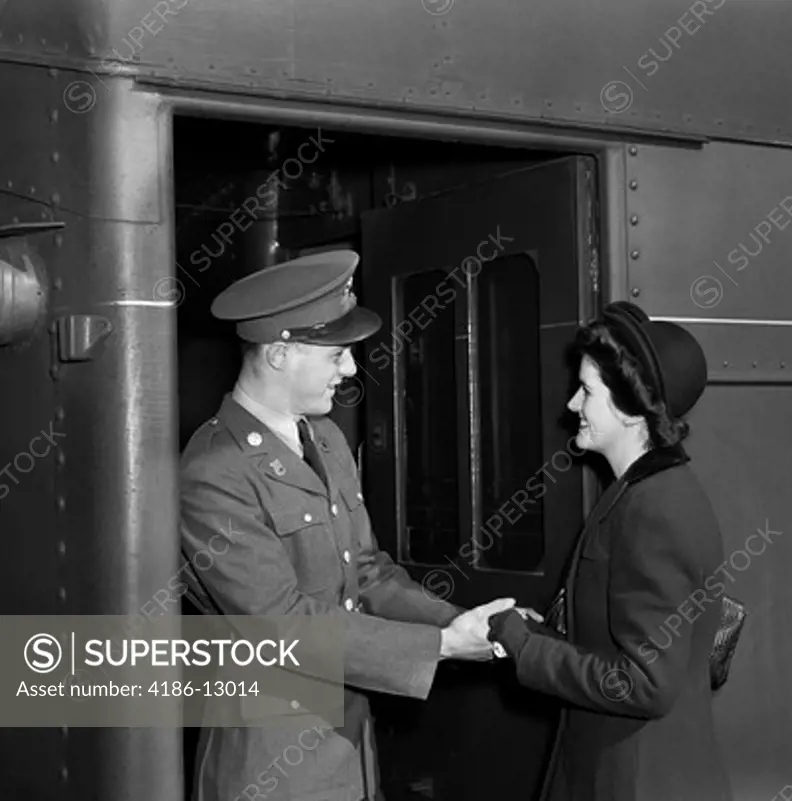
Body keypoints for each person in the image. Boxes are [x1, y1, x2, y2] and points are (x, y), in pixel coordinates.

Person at [178, 250, 514, 801]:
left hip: (350, 749)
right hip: (272, 768)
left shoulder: (327, 440)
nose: (352, 370)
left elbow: (369, 572)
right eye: (337, 355)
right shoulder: (214, 471)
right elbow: (280, 624)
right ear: (280, 353)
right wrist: (440, 647)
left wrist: (464, 621)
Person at [487, 301, 732, 801]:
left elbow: (645, 684)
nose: (573, 405)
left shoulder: (655, 508)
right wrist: (548, 634)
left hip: (636, 781)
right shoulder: (644, 491)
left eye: (587, 391)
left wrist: (528, 648)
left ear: (629, 408)